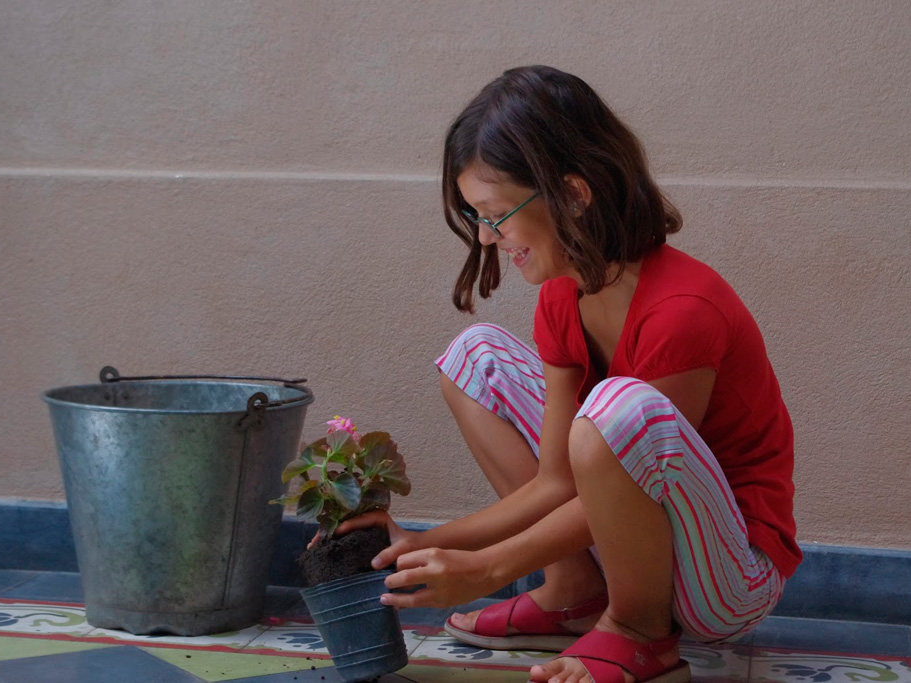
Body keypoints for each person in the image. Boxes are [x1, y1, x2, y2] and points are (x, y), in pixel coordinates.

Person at [335, 65, 801, 683]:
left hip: (726, 577)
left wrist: (489, 569)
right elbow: (558, 482)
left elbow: (629, 472)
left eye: (495, 213)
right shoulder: (563, 294)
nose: (487, 236)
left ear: (574, 195)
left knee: (615, 408)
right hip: (631, 545)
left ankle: (640, 632)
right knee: (478, 356)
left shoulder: (683, 312)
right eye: (477, 216)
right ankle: (573, 590)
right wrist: (423, 544)